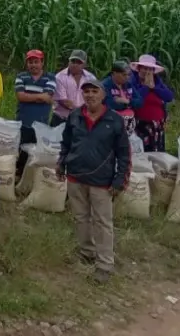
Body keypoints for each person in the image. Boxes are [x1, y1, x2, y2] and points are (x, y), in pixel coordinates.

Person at [57, 79, 130, 284]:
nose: (90, 95)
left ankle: (105, 264)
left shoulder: (114, 120)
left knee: (103, 222)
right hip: (75, 176)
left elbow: (124, 154)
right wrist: (61, 164)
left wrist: (119, 181)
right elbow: (66, 143)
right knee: (81, 218)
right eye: (86, 91)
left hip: (101, 181)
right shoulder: (75, 116)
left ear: (103, 95)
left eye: (94, 91)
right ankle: (86, 252)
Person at [14, 49, 56, 179]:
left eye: (36, 62)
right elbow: (21, 96)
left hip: (41, 122)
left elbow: (48, 96)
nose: (33, 65)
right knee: (22, 150)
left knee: (38, 152)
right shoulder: (21, 76)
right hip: (24, 120)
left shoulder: (50, 77)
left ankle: (32, 177)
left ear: (42, 63)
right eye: (30, 62)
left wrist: (31, 96)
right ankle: (19, 175)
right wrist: (41, 97)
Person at [131, 54, 174, 152]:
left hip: (157, 125)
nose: (147, 72)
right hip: (140, 124)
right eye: (145, 68)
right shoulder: (132, 82)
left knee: (157, 150)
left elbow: (169, 97)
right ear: (139, 69)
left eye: (150, 69)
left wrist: (154, 88)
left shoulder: (158, 82)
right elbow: (135, 99)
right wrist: (146, 87)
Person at [52, 50, 97, 126]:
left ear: (84, 65)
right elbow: (64, 101)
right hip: (62, 119)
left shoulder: (91, 78)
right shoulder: (59, 77)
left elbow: (95, 98)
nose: (75, 64)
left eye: (79, 62)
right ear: (69, 62)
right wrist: (83, 112)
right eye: (73, 61)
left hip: (84, 119)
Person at [102, 61, 143, 135]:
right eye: (124, 75)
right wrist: (129, 104)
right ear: (114, 73)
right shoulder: (105, 85)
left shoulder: (128, 85)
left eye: (129, 75)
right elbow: (110, 104)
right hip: (111, 124)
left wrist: (127, 101)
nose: (127, 77)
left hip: (129, 124)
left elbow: (140, 102)